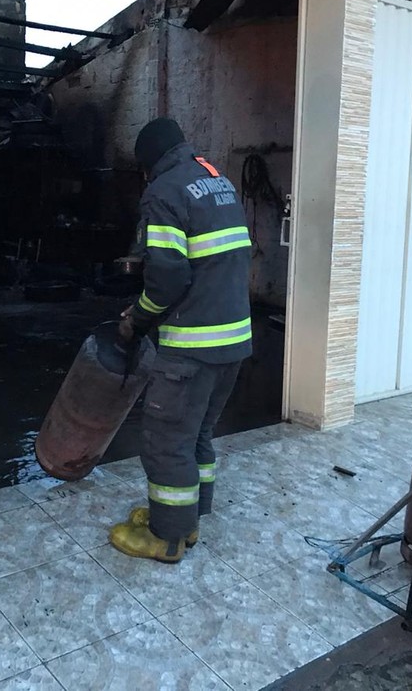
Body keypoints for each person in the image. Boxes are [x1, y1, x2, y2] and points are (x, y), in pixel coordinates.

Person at [111, 118, 252, 563]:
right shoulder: (216, 180)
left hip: (191, 346)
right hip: (234, 341)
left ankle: (167, 536)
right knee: (198, 434)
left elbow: (168, 277)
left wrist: (137, 318)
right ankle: (192, 517)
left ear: (148, 164)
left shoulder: (164, 191)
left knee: (166, 440)